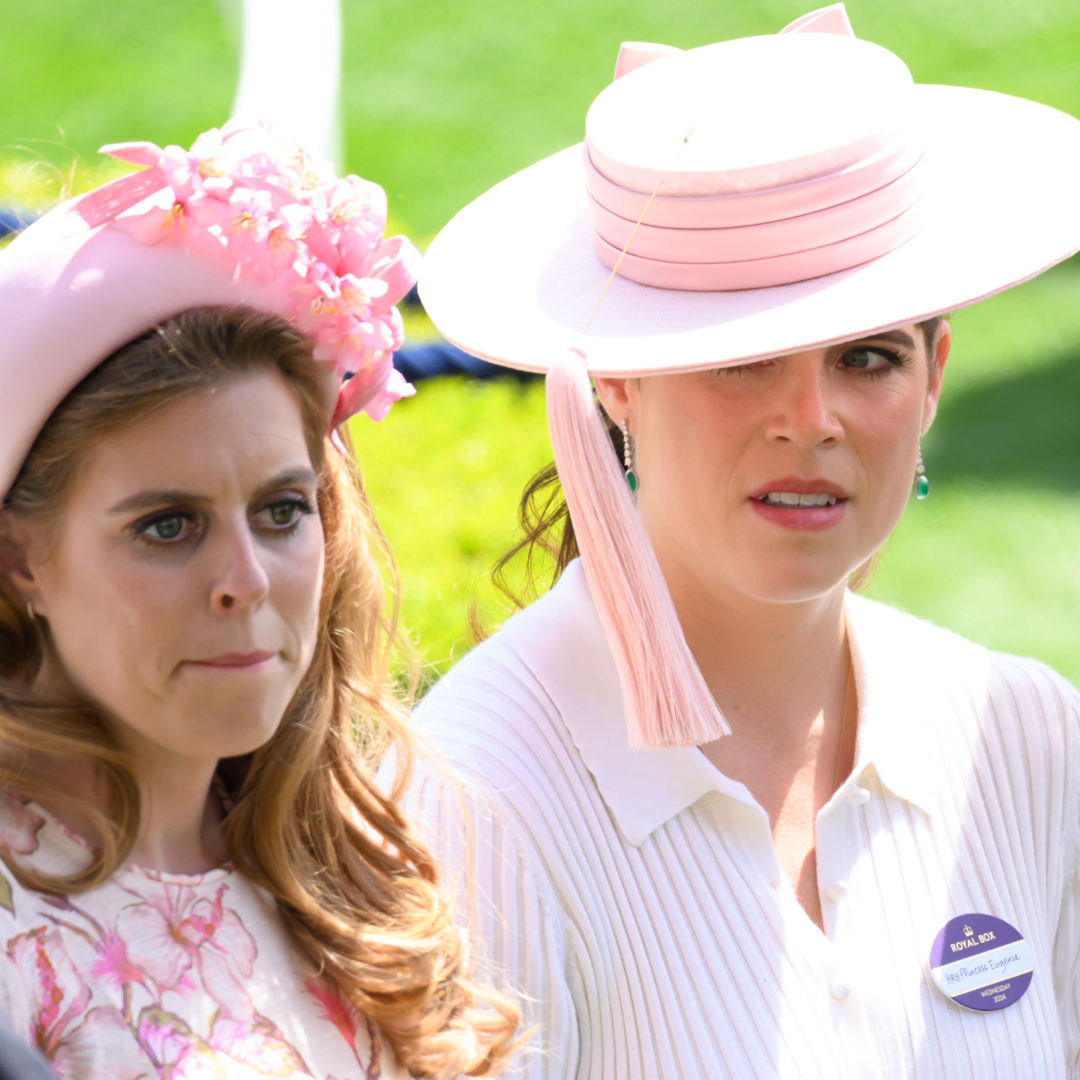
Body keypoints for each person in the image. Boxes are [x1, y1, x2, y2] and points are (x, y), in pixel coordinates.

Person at [402, 5, 1080, 1078]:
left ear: (936, 374)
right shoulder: (479, 795)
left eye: (867, 357)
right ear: (614, 380)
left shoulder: (1029, 735)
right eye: (740, 359)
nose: (810, 419)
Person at [0, 120, 518, 1078]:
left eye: (283, 510)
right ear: (21, 561)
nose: (246, 579)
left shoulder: (350, 880)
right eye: (167, 525)